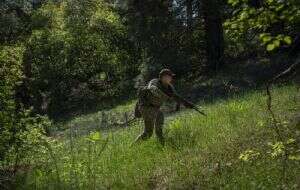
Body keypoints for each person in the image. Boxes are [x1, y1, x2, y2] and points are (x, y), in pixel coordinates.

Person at [134, 69, 193, 145]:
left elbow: (176, 97)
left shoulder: (169, 87)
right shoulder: (154, 82)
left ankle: (134, 146)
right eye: (170, 76)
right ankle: (161, 141)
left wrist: (187, 103)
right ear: (164, 77)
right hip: (146, 107)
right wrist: (167, 94)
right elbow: (153, 89)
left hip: (153, 108)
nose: (171, 78)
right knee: (160, 116)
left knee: (148, 133)